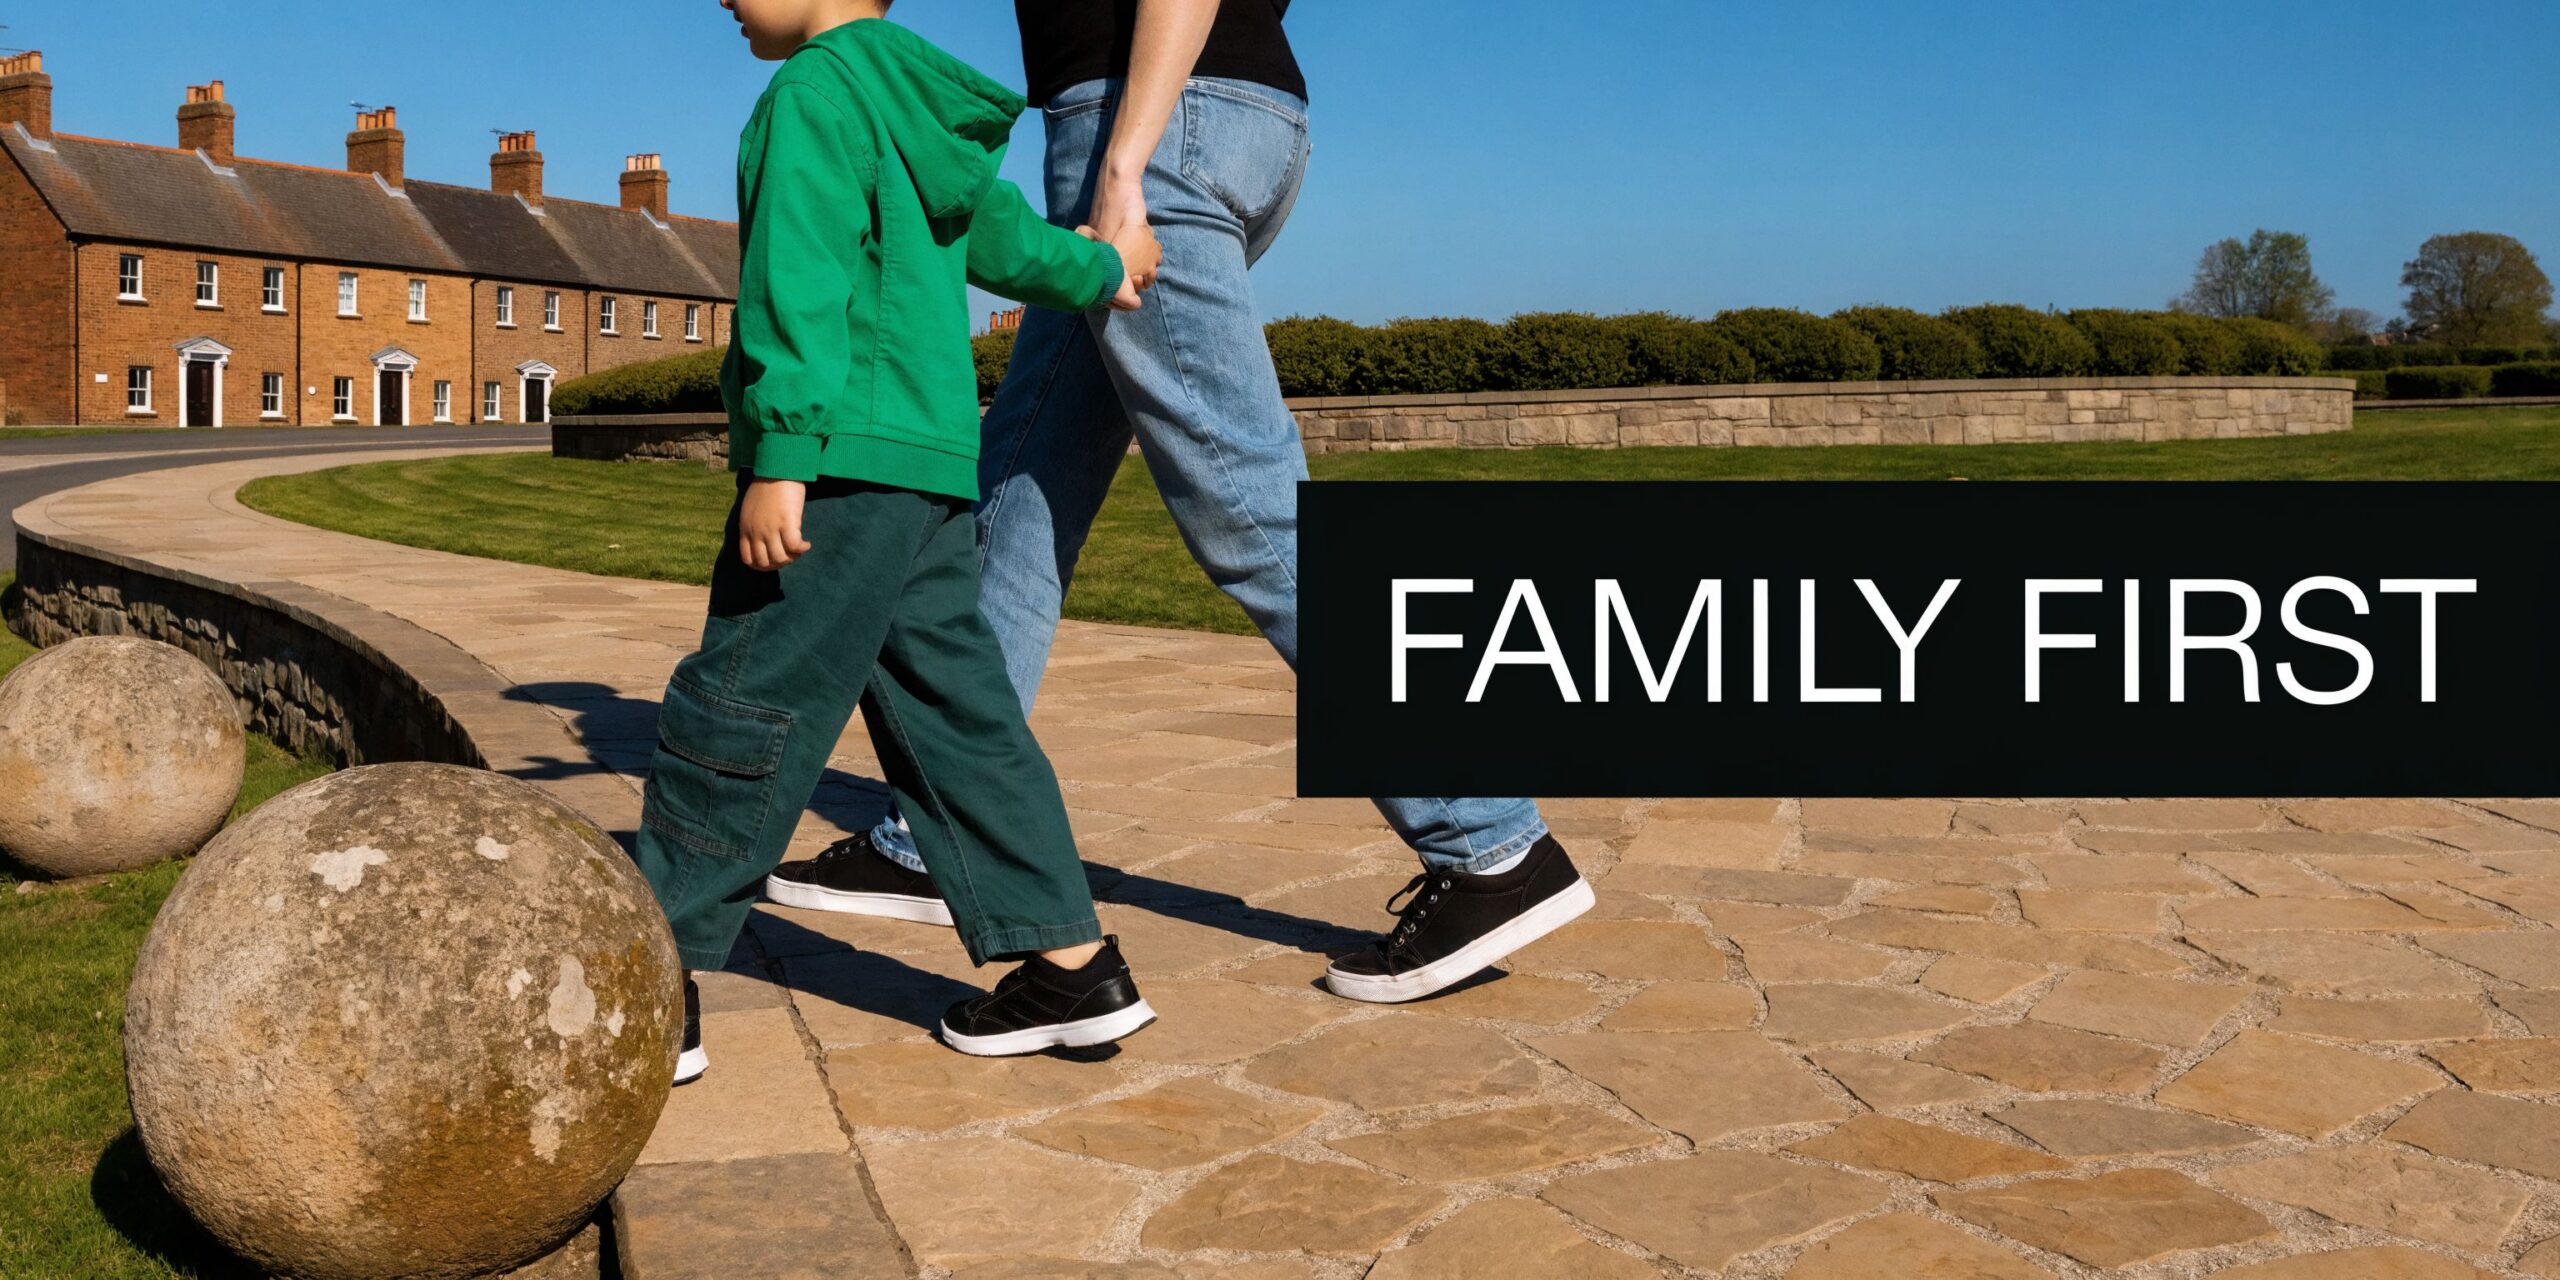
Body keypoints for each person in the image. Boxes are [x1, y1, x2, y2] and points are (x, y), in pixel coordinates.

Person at [766, 0, 1595, 1005]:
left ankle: (1489, 838)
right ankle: (934, 832)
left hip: (1149, 129)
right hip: (1183, 119)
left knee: (1250, 509)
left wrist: (1124, 166)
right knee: (1018, 500)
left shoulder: (1136, 145)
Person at [636, 0, 1167, 1082]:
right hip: (927, 475)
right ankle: (1072, 963)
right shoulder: (922, 106)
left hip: (837, 466)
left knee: (741, 697)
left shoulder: (815, 91)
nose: (720, 1)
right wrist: (1105, 270)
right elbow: (1012, 245)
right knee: (958, 716)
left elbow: (800, 272)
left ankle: (648, 983)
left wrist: (781, 455)